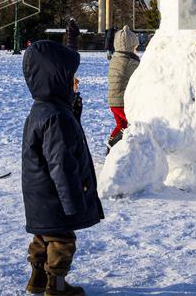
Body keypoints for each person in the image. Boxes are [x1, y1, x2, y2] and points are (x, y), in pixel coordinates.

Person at [21, 40, 103, 296]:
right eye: (71, 77)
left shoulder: (43, 109)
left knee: (43, 234)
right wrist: (72, 203)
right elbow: (62, 164)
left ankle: (37, 277)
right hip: (56, 193)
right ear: (56, 78)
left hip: (39, 193)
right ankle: (56, 284)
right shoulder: (57, 116)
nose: (76, 82)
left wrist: (73, 113)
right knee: (61, 239)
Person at [106, 26, 140, 153]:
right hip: (122, 102)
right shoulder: (130, 61)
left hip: (113, 101)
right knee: (133, 125)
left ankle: (110, 147)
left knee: (121, 126)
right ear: (130, 46)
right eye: (135, 47)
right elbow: (140, 77)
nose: (136, 50)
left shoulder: (116, 58)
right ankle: (119, 150)